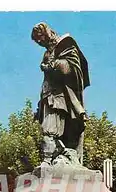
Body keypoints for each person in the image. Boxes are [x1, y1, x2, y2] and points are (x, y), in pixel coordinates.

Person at [31, 22, 90, 167]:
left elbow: (70, 69)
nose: (40, 43)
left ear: (47, 33)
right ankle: (59, 155)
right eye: (37, 41)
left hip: (60, 97)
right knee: (50, 130)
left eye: (40, 39)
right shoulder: (47, 52)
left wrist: (51, 65)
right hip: (47, 95)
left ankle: (47, 160)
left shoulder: (65, 43)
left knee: (50, 129)